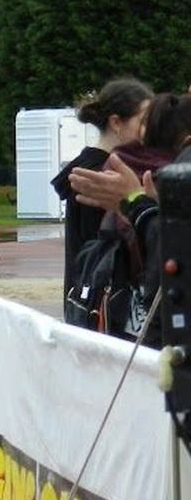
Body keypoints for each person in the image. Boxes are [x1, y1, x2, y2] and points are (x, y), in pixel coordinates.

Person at [65, 92, 191, 346]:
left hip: (128, 338)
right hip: (149, 338)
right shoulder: (114, 180)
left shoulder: (120, 180)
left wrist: (141, 207)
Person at [52, 78, 160, 309]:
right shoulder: (101, 178)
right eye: (143, 121)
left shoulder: (88, 169)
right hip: (101, 302)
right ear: (116, 123)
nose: (149, 131)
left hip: (86, 297)